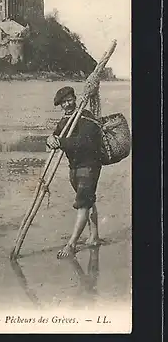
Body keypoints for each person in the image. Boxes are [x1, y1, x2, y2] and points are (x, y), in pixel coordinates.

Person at [47, 86, 102, 259]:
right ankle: (94, 237)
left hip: (89, 165)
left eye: (69, 100)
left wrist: (61, 142)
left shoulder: (85, 117)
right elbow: (55, 136)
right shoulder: (64, 120)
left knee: (83, 204)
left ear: (75, 98)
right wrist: (50, 140)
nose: (67, 104)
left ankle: (71, 244)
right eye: (63, 102)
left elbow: (83, 142)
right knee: (87, 200)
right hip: (74, 166)